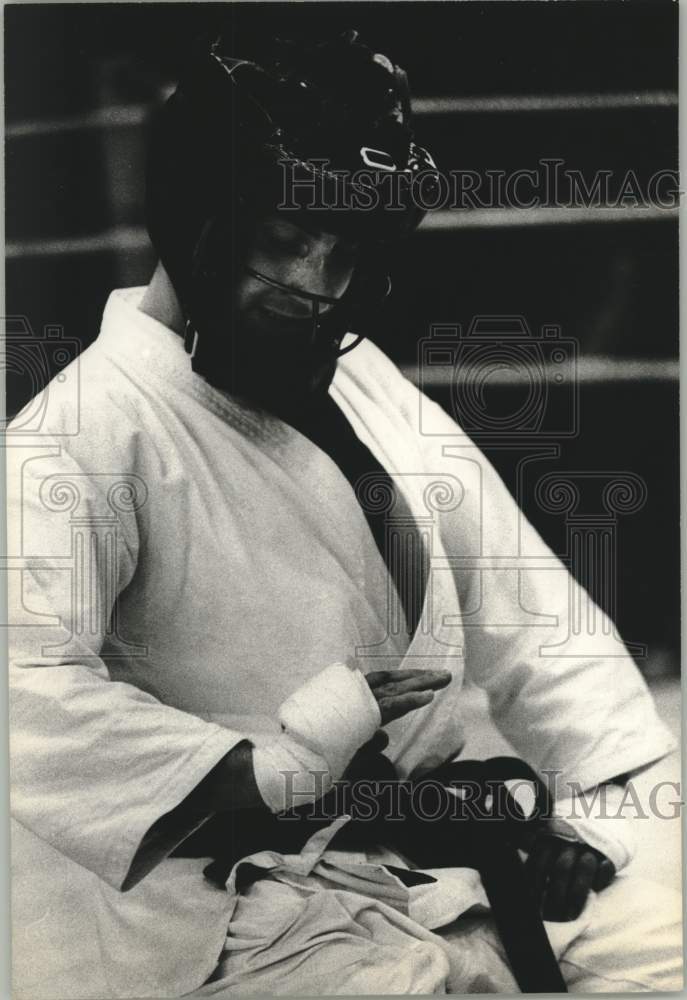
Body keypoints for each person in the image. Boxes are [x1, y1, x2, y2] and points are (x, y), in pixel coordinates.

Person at [8, 29, 681, 997]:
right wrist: (276, 769)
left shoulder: (358, 377)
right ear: (199, 220)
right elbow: (22, 695)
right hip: (220, 916)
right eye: (283, 243)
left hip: (426, 867)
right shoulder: (77, 436)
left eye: (345, 252)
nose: (315, 288)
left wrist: (603, 820)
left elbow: (524, 601)